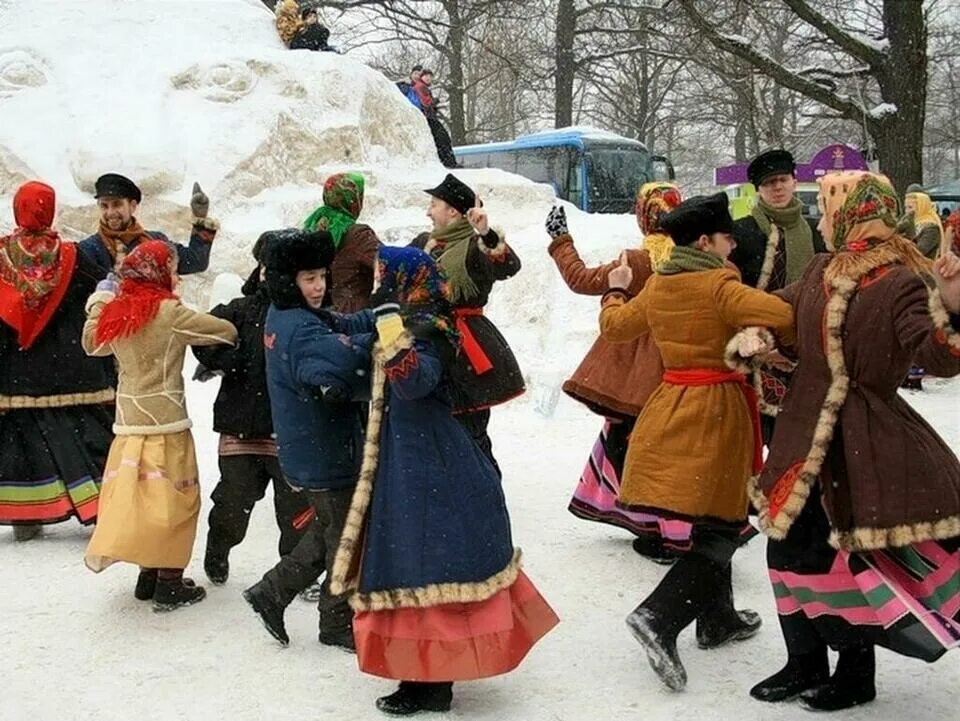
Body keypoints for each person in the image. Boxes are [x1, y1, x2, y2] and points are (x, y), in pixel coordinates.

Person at [744, 171, 960, 712]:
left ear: (852, 213)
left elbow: (938, 358)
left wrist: (952, 305)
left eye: (831, 205)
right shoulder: (819, 268)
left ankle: (855, 671)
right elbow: (784, 316)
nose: (823, 215)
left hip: (865, 435)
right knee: (783, 548)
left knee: (842, 557)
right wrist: (758, 337)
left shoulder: (901, 280)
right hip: (800, 433)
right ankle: (803, 660)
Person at [328, 245, 558, 716]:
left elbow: (414, 379)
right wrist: (309, 314)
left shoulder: (427, 325)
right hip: (404, 458)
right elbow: (356, 326)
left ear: (403, 280)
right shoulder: (407, 313)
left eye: (384, 276)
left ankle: (432, 683)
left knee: (427, 561)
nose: (379, 283)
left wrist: (390, 320)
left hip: (428, 461)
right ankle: (420, 672)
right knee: (410, 560)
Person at [601, 193, 795, 692]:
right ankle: (658, 618)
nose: (733, 247)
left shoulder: (660, 286)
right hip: (718, 411)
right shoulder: (718, 284)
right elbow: (782, 314)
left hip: (670, 405)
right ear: (706, 241)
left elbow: (615, 328)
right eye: (728, 238)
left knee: (713, 517)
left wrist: (617, 290)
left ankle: (719, 619)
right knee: (723, 528)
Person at [82, 240, 237, 611]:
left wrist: (99, 301)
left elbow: (92, 344)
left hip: (129, 424)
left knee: (139, 501)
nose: (175, 274)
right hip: (167, 422)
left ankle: (147, 572)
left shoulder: (117, 311)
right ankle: (169, 581)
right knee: (175, 501)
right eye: (171, 268)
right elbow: (225, 331)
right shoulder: (169, 312)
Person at [545, 183, 690, 562]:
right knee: (677, 450)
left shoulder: (634, 262)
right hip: (684, 371)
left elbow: (581, 279)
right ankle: (688, 523)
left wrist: (561, 240)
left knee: (631, 447)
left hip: (637, 381)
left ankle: (658, 528)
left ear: (643, 218)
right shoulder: (697, 260)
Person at [242, 229, 372, 651]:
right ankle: (335, 623)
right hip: (326, 452)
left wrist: (381, 314)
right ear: (288, 281)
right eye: (308, 279)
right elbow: (347, 357)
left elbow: (340, 325)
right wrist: (393, 337)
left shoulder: (287, 314)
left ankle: (271, 592)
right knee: (345, 540)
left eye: (321, 277)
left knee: (329, 530)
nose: (318, 287)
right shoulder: (303, 330)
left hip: (308, 448)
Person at [191, 234, 311, 586]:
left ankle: (295, 571)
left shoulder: (307, 316)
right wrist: (230, 361)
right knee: (233, 502)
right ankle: (219, 549)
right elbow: (201, 335)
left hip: (290, 434)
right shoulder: (240, 311)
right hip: (241, 428)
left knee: (296, 510)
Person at [0, 181, 115, 541]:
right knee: (86, 437)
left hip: (15, 370)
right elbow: (102, 293)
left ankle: (26, 515)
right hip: (73, 370)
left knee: (20, 444)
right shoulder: (74, 257)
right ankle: (100, 507)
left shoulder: (1, 259)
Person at [410, 174, 524, 475]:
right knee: (436, 432)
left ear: (453, 212)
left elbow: (508, 266)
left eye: (434, 204)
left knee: (469, 434)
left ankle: (486, 495)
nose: (428, 211)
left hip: (463, 349)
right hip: (428, 343)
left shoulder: (476, 248)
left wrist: (487, 233)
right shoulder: (425, 243)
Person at [731, 149, 829, 440]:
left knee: (803, 439)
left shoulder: (816, 230)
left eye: (782, 180)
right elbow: (731, 294)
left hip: (807, 347)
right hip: (754, 352)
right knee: (757, 436)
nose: (777, 187)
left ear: (794, 182)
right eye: (769, 183)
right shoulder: (741, 232)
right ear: (758, 190)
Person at [79, 174, 217, 275]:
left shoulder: (155, 241)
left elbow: (194, 262)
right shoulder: (89, 249)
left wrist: (200, 218)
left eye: (117, 204)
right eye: (104, 206)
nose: (110, 212)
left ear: (132, 206)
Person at [303, 172, 381, 312]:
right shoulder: (357, 234)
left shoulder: (314, 226)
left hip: (321, 312)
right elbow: (387, 263)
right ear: (354, 200)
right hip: (353, 316)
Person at [904, 188, 944, 260]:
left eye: (910, 207)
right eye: (905, 208)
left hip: (924, 268)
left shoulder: (931, 228)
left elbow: (918, 252)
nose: (907, 211)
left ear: (921, 207)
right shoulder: (911, 223)